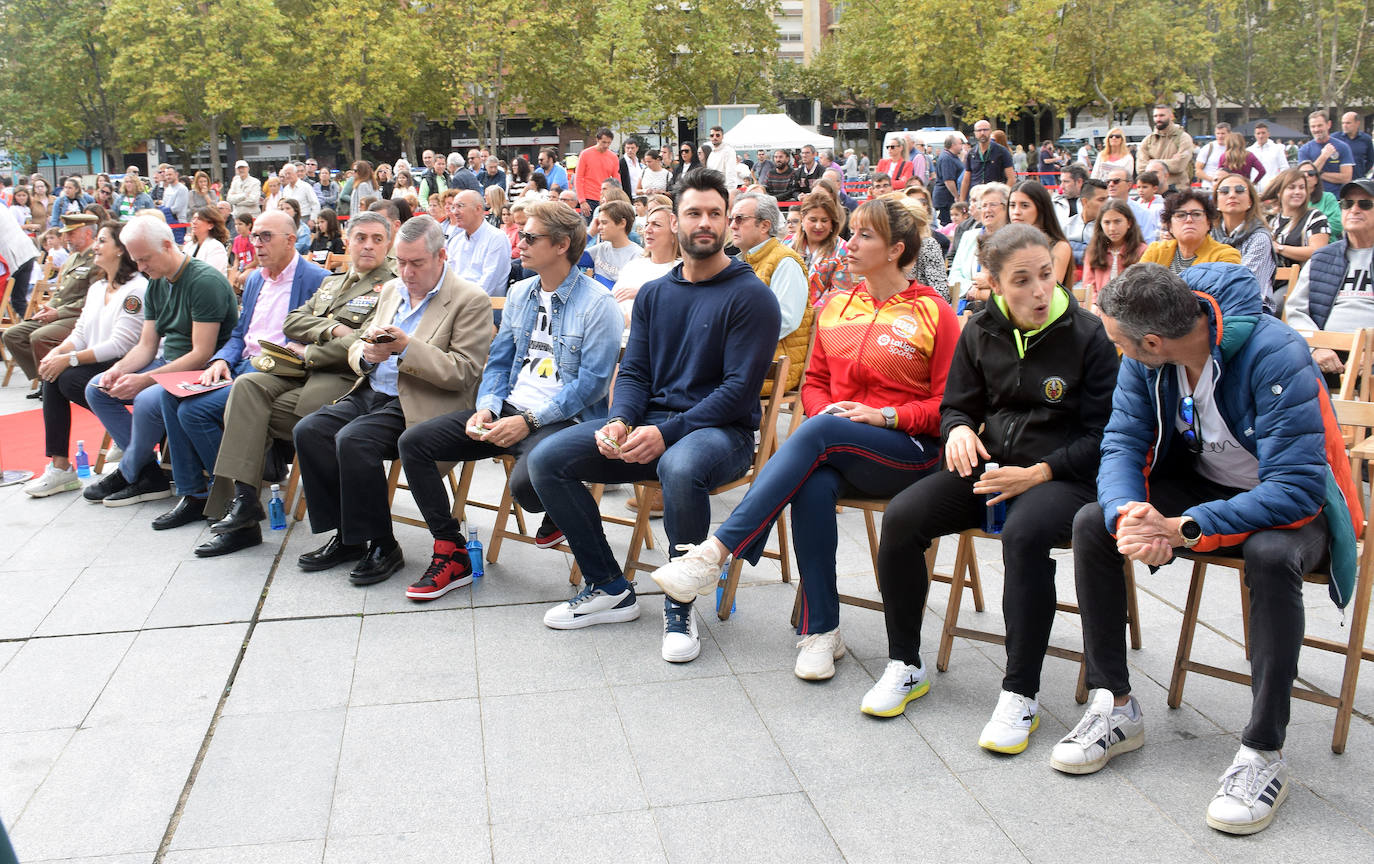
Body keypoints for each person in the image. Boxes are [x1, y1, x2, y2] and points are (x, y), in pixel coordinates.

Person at [1052, 261, 1361, 836]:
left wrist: (1187, 528)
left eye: (1120, 343)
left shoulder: (1275, 351)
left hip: (1296, 503)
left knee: (1271, 555)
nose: (1117, 351)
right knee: (1094, 521)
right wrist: (1132, 516)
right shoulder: (1146, 359)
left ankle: (1263, 750)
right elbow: (1122, 441)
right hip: (1208, 486)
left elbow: (1295, 490)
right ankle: (1114, 703)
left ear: (1152, 341)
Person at [650, 194, 956, 670]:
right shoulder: (836, 306)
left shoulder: (934, 312)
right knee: (812, 484)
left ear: (896, 250)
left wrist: (885, 417)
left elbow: (949, 407)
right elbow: (813, 384)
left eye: (864, 236)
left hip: (910, 449)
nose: (849, 245)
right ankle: (822, 632)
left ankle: (715, 552)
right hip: (838, 444)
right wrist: (825, 411)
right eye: (852, 233)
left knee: (821, 435)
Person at [861, 222, 1116, 742]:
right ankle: (905, 663)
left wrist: (1040, 472)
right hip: (994, 467)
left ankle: (1020, 693)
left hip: (1065, 475)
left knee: (1024, 535)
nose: (1039, 290)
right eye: (1022, 280)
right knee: (903, 517)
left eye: (1046, 275)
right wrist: (957, 430)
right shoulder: (980, 328)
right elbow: (957, 405)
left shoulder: (1088, 335)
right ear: (995, 285)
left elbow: (1104, 436)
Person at [525, 170, 779, 646]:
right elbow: (635, 373)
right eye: (694, 213)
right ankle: (608, 586)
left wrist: (666, 433)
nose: (705, 222)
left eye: (715, 213)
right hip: (651, 425)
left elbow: (738, 392)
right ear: (674, 221)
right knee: (546, 459)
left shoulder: (752, 297)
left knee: (679, 466)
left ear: (727, 221)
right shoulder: (657, 293)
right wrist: (620, 420)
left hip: (721, 433)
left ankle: (679, 605)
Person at [396, 202, 623, 598]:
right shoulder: (520, 293)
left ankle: (563, 501)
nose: (520, 243)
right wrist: (487, 406)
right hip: (508, 409)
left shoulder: (598, 304)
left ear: (561, 245)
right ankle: (451, 551)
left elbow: (591, 385)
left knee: (527, 488)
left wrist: (529, 421)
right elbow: (499, 362)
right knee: (414, 443)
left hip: (563, 420)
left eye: (531, 237)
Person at [292, 215, 492, 585]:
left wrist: (407, 348)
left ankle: (383, 545)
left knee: (354, 440)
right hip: (372, 390)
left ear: (441, 256)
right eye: (400, 262)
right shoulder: (392, 290)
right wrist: (367, 356)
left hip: (420, 401)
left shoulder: (469, 299)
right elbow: (359, 347)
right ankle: (349, 537)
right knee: (309, 431)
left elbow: (463, 373)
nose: (407, 272)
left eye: (416, 263)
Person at [195, 212, 396, 557]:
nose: (368, 246)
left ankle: (248, 519)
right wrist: (332, 329)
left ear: (388, 244)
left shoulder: (391, 286)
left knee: (259, 417)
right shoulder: (334, 282)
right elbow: (292, 321)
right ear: (347, 241)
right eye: (361, 237)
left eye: (377, 239)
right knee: (246, 388)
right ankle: (245, 504)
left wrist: (312, 350)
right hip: (300, 371)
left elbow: (364, 342)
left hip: (343, 380)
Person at [149, 210, 330, 531]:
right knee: (171, 397)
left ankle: (235, 497)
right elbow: (238, 335)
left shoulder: (316, 280)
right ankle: (194, 494)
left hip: (280, 372)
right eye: (254, 236)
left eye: (265, 236)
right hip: (241, 366)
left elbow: (321, 339)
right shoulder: (256, 278)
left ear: (291, 240)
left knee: (194, 411)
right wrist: (220, 360)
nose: (256, 243)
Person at [82, 216, 239, 506]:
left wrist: (144, 379)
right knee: (97, 388)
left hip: (204, 370)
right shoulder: (157, 281)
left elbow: (201, 354)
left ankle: (128, 472)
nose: (140, 267)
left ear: (167, 245)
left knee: (146, 399)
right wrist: (118, 370)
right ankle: (144, 470)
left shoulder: (203, 281)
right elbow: (146, 345)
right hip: (171, 363)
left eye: (145, 259)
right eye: (136, 260)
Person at [22, 221, 149, 497]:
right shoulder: (98, 287)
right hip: (99, 361)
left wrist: (70, 359)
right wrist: (58, 352)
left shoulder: (136, 289)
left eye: (102, 241)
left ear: (120, 249)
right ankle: (60, 466)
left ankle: (132, 443)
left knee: (65, 377)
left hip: (128, 364)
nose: (96, 247)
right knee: (53, 374)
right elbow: (80, 332)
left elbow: (120, 344)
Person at [1283, 179, 1374, 380]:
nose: (1354, 210)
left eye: (1365, 204)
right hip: (1326, 353)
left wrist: (1371, 354)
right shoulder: (1321, 257)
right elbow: (1296, 310)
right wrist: (1316, 348)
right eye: (1347, 204)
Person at [3, 212, 101, 389]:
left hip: (79, 317)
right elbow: (60, 292)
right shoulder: (73, 258)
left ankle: (53, 384)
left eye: (71, 233)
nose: (66, 238)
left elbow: (93, 299)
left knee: (40, 337)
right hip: (59, 314)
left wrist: (58, 313)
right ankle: (47, 380)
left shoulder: (97, 259)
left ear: (87, 233)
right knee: (13, 335)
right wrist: (47, 308)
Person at [729, 191, 809, 389]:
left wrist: (732, 340)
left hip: (771, 369)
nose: (732, 225)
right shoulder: (740, 262)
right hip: (744, 362)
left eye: (740, 219)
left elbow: (785, 319)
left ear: (765, 226)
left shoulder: (785, 261)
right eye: (731, 219)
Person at [1209, 173, 1277, 309]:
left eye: (1239, 190)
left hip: (1252, 308)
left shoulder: (1260, 237)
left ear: (1250, 201)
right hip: (1211, 304)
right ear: (1216, 202)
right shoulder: (1208, 234)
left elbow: (1243, 283)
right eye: (1224, 191)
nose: (1232, 195)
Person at [1141, 189, 1242, 274]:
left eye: (1196, 214)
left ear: (1208, 223)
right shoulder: (1155, 251)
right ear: (1170, 226)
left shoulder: (1226, 255)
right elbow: (1137, 285)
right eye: (1180, 215)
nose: (1189, 220)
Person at [611, 203, 679, 326]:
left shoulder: (684, 270)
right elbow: (613, 304)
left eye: (657, 225)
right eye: (647, 224)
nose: (647, 230)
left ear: (674, 233)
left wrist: (644, 293)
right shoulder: (633, 266)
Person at [949, 182, 1010, 307]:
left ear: (1007, 208)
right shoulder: (969, 236)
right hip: (967, 303)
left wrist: (989, 284)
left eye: (993, 204)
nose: (987, 209)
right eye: (984, 205)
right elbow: (955, 275)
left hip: (1001, 306)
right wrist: (972, 288)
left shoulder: (1015, 239)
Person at [1266, 167, 1331, 282]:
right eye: (1291, 187)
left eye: (1302, 188)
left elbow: (1317, 251)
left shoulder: (1315, 217)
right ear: (1279, 192)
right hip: (1270, 279)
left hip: (1303, 281)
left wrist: (1279, 248)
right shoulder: (1270, 219)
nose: (1297, 192)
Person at [444, 189, 510, 298]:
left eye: (460, 206)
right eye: (453, 207)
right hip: (456, 301)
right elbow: (449, 278)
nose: (455, 212)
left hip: (483, 304)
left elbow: (486, 286)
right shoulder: (456, 241)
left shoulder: (497, 238)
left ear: (478, 209)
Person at [1081, 200, 1147, 307]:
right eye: (1107, 222)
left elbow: (1143, 289)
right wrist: (1095, 305)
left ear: (1129, 223)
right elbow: (1089, 286)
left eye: (1117, 222)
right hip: (1099, 309)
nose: (1112, 228)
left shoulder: (1142, 250)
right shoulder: (1093, 251)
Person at [1007, 180, 1073, 287]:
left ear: (1041, 209)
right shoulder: (1003, 243)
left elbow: (1050, 289)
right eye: (1012, 205)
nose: (1016, 212)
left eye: (1024, 205)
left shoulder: (1060, 246)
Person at [790, 192, 851, 304]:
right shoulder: (787, 245)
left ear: (832, 222)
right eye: (813, 220)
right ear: (802, 219)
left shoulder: (843, 251)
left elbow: (840, 295)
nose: (818, 226)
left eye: (824, 220)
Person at [579, 200, 642, 288]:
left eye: (604, 223)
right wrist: (590, 233)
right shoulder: (601, 248)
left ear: (622, 223)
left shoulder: (637, 255)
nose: (599, 227)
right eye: (599, 223)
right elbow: (568, 257)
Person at [1135, 104, 1195, 192]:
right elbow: (1140, 168)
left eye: (1162, 115)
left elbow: (1179, 166)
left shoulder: (1184, 138)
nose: (1158, 119)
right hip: (1153, 192)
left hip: (1178, 190)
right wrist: (1169, 162)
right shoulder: (1148, 140)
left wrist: (1151, 162)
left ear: (1171, 116)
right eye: (1155, 116)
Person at [1299, 111, 1355, 197]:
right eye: (1313, 126)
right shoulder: (1304, 149)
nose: (1316, 129)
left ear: (1328, 124)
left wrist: (1319, 173)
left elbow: (1346, 178)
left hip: (1337, 197)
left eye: (1320, 125)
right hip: (1312, 198)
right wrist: (1324, 156)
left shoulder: (1342, 147)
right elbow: (1305, 177)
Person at [959, 120, 1017, 202]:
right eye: (979, 130)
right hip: (976, 199)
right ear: (975, 133)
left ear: (990, 131)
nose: (982, 133)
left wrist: (1004, 199)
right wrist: (961, 201)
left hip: (995, 199)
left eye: (985, 130)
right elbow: (966, 181)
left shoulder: (1002, 152)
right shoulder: (971, 153)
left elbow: (1011, 178)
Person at [1298, 159, 1344, 239]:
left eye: (1311, 173)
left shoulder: (1328, 198)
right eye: (1301, 174)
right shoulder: (1290, 199)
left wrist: (1306, 231)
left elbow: (1337, 225)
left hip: (1326, 243)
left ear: (1316, 179)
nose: (1306, 176)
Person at [576, 129, 620, 209]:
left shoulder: (613, 157)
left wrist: (617, 197)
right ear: (597, 140)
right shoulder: (585, 154)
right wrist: (582, 200)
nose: (606, 145)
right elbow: (578, 177)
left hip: (606, 198)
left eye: (609, 143)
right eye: (603, 142)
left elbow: (616, 180)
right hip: (589, 198)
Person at [183, 206, 230, 273]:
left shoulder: (216, 247)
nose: (194, 222)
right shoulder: (189, 246)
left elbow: (211, 275)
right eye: (193, 218)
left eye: (199, 219)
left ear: (210, 225)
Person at [1332, 111, 1373, 182]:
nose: (1345, 125)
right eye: (1343, 123)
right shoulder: (1335, 138)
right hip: (1339, 181)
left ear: (1357, 123)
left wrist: (1362, 172)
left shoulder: (1366, 139)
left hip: (1358, 180)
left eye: (1348, 123)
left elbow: (1370, 160)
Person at [1194, 122, 1235, 191]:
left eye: (1223, 133)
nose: (1220, 136)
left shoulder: (1234, 148)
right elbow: (1198, 171)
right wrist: (1213, 180)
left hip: (1229, 187)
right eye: (1218, 133)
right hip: (1209, 187)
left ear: (1229, 134)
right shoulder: (1208, 148)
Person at [1248, 123, 1290, 191]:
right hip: (1254, 189)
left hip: (1272, 189)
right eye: (1258, 133)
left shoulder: (1277, 149)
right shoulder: (1249, 150)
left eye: (1263, 133)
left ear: (1268, 134)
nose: (1261, 136)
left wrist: (1276, 182)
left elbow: (1285, 168)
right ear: (1255, 135)